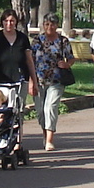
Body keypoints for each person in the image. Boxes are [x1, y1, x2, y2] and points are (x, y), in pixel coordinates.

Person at [0, 10, 39, 126]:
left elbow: (29, 61)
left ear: (16, 22)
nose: (9, 24)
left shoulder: (22, 38)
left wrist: (33, 81)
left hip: (19, 80)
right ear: (2, 22)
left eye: (12, 21)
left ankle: (17, 140)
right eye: (6, 21)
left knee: (17, 111)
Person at [31, 13, 75, 152]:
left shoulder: (63, 41)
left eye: (53, 24)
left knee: (50, 107)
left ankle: (50, 139)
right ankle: (45, 134)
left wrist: (67, 64)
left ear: (57, 25)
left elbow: (71, 58)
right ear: (43, 25)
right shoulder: (37, 41)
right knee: (40, 111)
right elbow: (30, 61)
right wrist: (31, 81)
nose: (50, 27)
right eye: (47, 24)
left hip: (56, 80)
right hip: (38, 79)